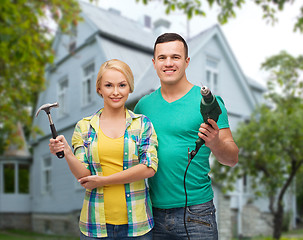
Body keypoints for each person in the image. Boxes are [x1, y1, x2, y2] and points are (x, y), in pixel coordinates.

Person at [134, 33, 239, 240]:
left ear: (186, 61)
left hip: (197, 213)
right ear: (154, 63)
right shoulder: (142, 107)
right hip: (151, 213)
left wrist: (215, 142)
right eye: (162, 58)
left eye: (175, 57)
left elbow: (232, 159)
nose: (169, 63)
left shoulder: (210, 103)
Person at [49, 59, 158, 240]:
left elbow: (149, 167)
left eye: (122, 85)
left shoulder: (142, 124)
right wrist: (67, 152)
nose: (115, 92)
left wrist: (103, 181)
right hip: (95, 227)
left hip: (138, 227)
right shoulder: (84, 127)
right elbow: (83, 175)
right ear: (99, 88)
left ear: (129, 88)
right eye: (108, 85)